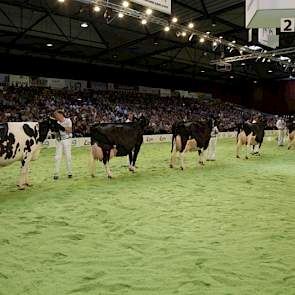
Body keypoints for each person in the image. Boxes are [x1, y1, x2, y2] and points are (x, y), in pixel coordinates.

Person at [53, 110, 73, 179]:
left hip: (67, 140)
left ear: (61, 115)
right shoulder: (56, 122)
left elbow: (70, 130)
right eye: (55, 116)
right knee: (57, 157)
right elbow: (55, 133)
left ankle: (69, 172)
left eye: (56, 115)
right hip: (59, 140)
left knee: (68, 156)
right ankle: (56, 174)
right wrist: (55, 134)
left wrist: (61, 127)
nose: (56, 117)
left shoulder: (68, 120)